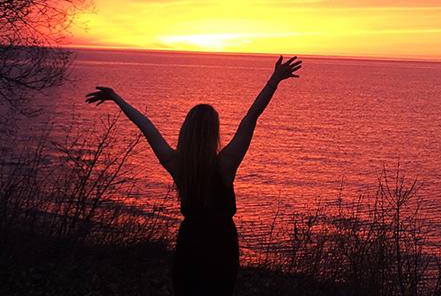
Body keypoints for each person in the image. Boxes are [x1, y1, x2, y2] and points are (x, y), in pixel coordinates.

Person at [85, 55, 302, 295]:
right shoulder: (226, 164)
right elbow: (250, 119)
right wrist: (273, 80)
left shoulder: (178, 165)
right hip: (221, 244)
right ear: (213, 132)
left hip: (190, 242)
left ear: (185, 130)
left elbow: (146, 127)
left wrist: (117, 98)